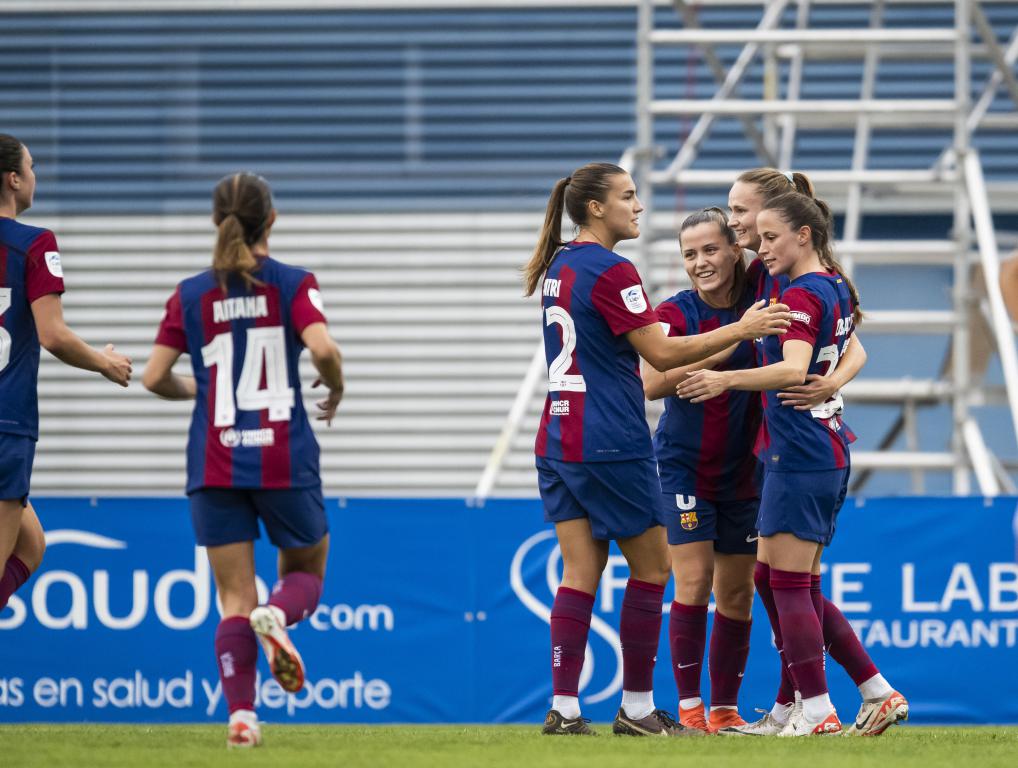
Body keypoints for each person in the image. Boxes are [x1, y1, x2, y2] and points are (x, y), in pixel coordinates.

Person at [522, 162, 791, 736]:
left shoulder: (559, 265)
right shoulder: (614, 269)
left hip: (558, 434)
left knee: (579, 571)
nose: (638, 205)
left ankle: (565, 709)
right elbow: (662, 357)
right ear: (596, 208)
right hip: (610, 441)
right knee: (655, 567)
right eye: (628, 195)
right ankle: (639, 709)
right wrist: (741, 332)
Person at [677, 191, 906, 736]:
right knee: (773, 577)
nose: (752, 237)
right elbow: (851, 350)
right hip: (812, 446)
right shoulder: (831, 285)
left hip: (800, 450)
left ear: (801, 233)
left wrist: (724, 378)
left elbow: (791, 369)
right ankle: (839, 697)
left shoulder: (801, 293)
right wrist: (833, 379)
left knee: (786, 583)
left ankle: (821, 707)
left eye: (762, 229)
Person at [143, 172, 344, 749]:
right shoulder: (293, 283)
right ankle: (278, 617)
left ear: (216, 222)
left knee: (233, 599)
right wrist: (336, 387)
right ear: (271, 220)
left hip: (215, 462)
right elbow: (324, 348)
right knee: (305, 572)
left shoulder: (190, 293)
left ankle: (241, 719)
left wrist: (202, 390)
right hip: (284, 458)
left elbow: (154, 376)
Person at [0, 134, 132, 615]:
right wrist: (104, 361)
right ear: (14, 180)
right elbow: (52, 334)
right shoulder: (34, 243)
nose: (35, 175)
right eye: (31, 167)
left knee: (31, 546)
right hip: (6, 426)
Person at [643, 208, 761, 734]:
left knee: (737, 593)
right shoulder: (673, 312)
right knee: (692, 582)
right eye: (689, 254)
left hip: (747, 473)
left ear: (736, 249)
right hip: (685, 468)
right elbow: (650, 380)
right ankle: (690, 709)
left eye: (710, 249)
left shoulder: (765, 299)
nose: (700, 262)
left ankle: (725, 710)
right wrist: (731, 343)